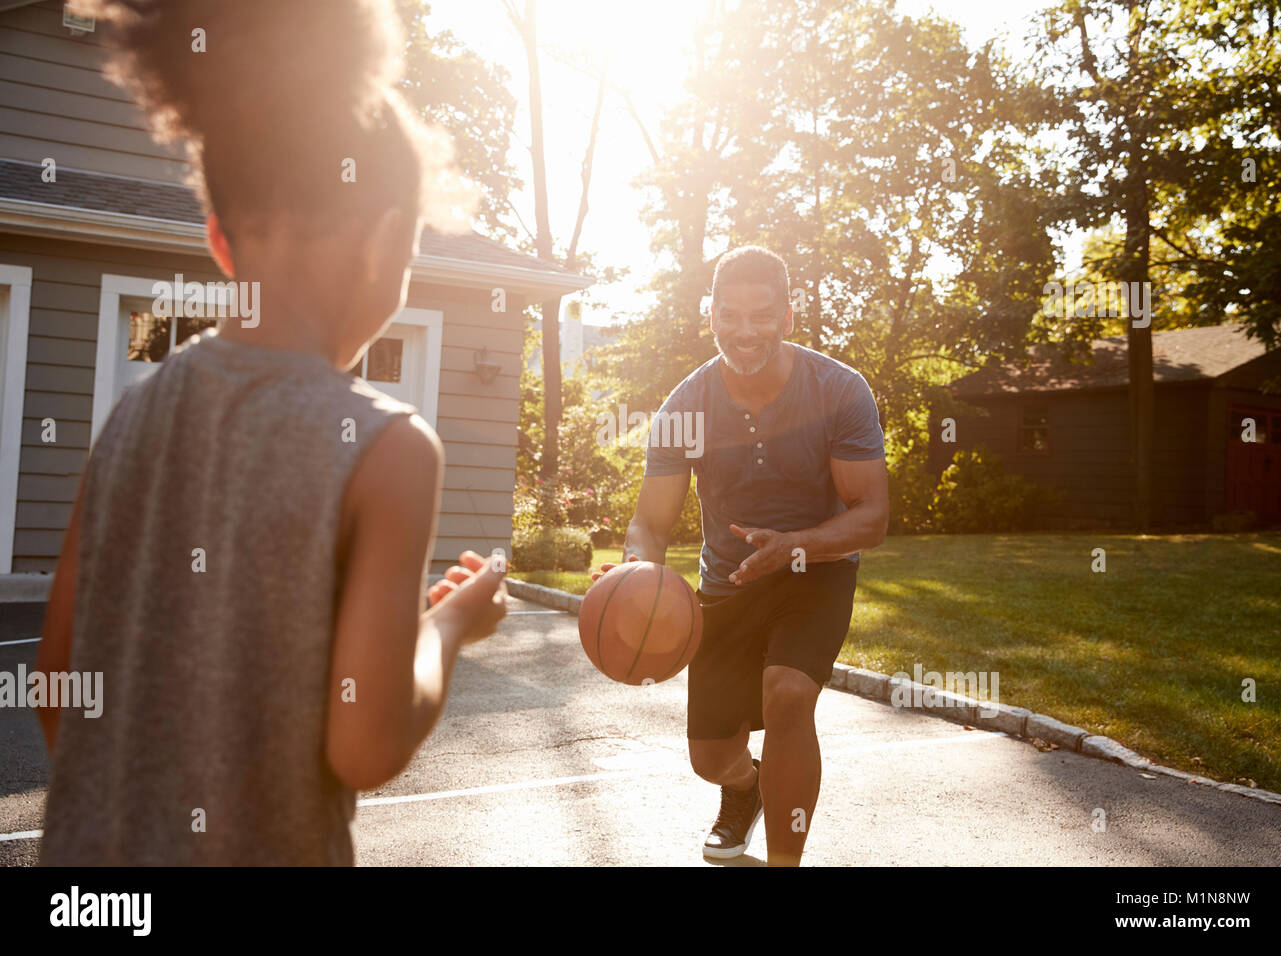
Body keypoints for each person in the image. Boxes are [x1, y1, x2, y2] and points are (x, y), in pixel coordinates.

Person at [34, 0, 505, 865]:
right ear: (390, 243)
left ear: (219, 241)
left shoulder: (129, 417)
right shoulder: (389, 448)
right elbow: (362, 746)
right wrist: (446, 631)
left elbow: (58, 688)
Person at [595, 245, 889, 866]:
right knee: (710, 757)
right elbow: (650, 523)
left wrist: (796, 546)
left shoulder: (839, 391)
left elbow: (871, 517)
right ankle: (745, 787)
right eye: (731, 315)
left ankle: (785, 861)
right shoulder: (684, 408)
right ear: (712, 316)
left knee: (788, 695)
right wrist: (635, 570)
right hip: (726, 585)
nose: (746, 330)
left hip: (815, 573)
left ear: (788, 315)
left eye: (762, 315)